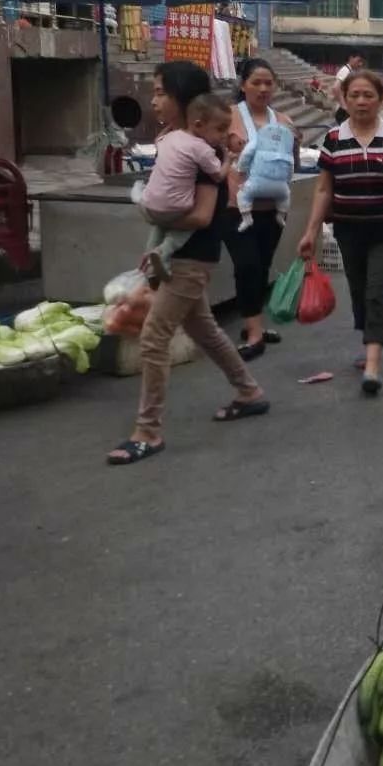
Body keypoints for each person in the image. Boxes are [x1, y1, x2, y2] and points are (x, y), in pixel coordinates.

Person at [107, 63, 268, 465]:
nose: (155, 100)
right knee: (204, 329)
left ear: (182, 99)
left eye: (161, 92)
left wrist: (151, 215)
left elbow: (199, 216)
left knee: (154, 336)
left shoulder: (203, 150)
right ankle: (249, 392)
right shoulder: (179, 141)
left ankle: (148, 432)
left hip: (191, 257)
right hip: (179, 256)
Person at [297, 70, 383, 394]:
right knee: (359, 290)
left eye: (368, 95)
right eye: (355, 95)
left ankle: (373, 364)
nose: (361, 101)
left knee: (377, 291)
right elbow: (323, 190)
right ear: (345, 99)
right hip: (348, 229)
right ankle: (367, 336)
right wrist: (310, 232)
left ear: (381, 99)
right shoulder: (333, 139)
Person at [223, 58, 298, 361]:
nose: (264, 88)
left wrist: (294, 143)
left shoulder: (283, 120)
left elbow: (293, 162)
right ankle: (254, 333)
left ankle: (253, 322)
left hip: (273, 207)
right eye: (257, 82)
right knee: (247, 265)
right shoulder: (228, 117)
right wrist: (229, 150)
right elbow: (208, 151)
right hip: (236, 207)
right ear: (243, 85)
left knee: (263, 267)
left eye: (269, 82)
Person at [135, 93, 231, 284]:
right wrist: (229, 160)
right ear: (197, 125)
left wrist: (169, 128)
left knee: (160, 225)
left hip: (149, 203)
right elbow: (218, 176)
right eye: (220, 130)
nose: (224, 136)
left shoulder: (170, 138)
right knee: (183, 229)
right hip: (177, 208)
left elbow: (158, 141)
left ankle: (149, 261)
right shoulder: (203, 149)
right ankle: (163, 253)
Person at [333, 51, 366, 122]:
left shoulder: (351, 71)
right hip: (343, 111)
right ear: (351, 58)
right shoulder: (345, 70)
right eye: (359, 61)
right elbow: (335, 88)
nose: (360, 64)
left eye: (362, 62)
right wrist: (343, 106)